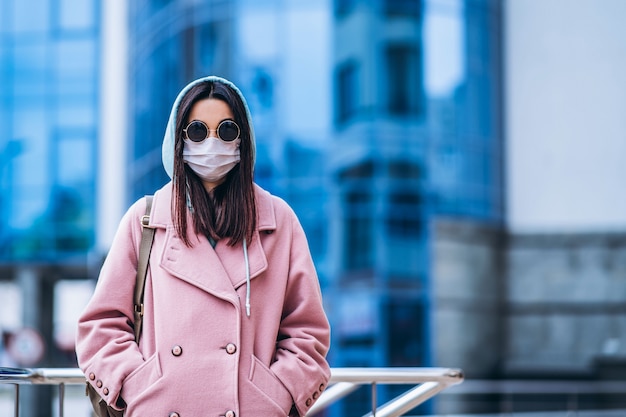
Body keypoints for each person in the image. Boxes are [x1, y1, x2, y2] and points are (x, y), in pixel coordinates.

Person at [76, 76, 331, 417]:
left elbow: (307, 331)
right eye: (197, 131)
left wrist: (275, 394)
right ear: (178, 140)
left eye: (226, 131)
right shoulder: (146, 219)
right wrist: (137, 385)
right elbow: (102, 325)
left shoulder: (277, 221)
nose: (212, 143)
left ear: (244, 139)